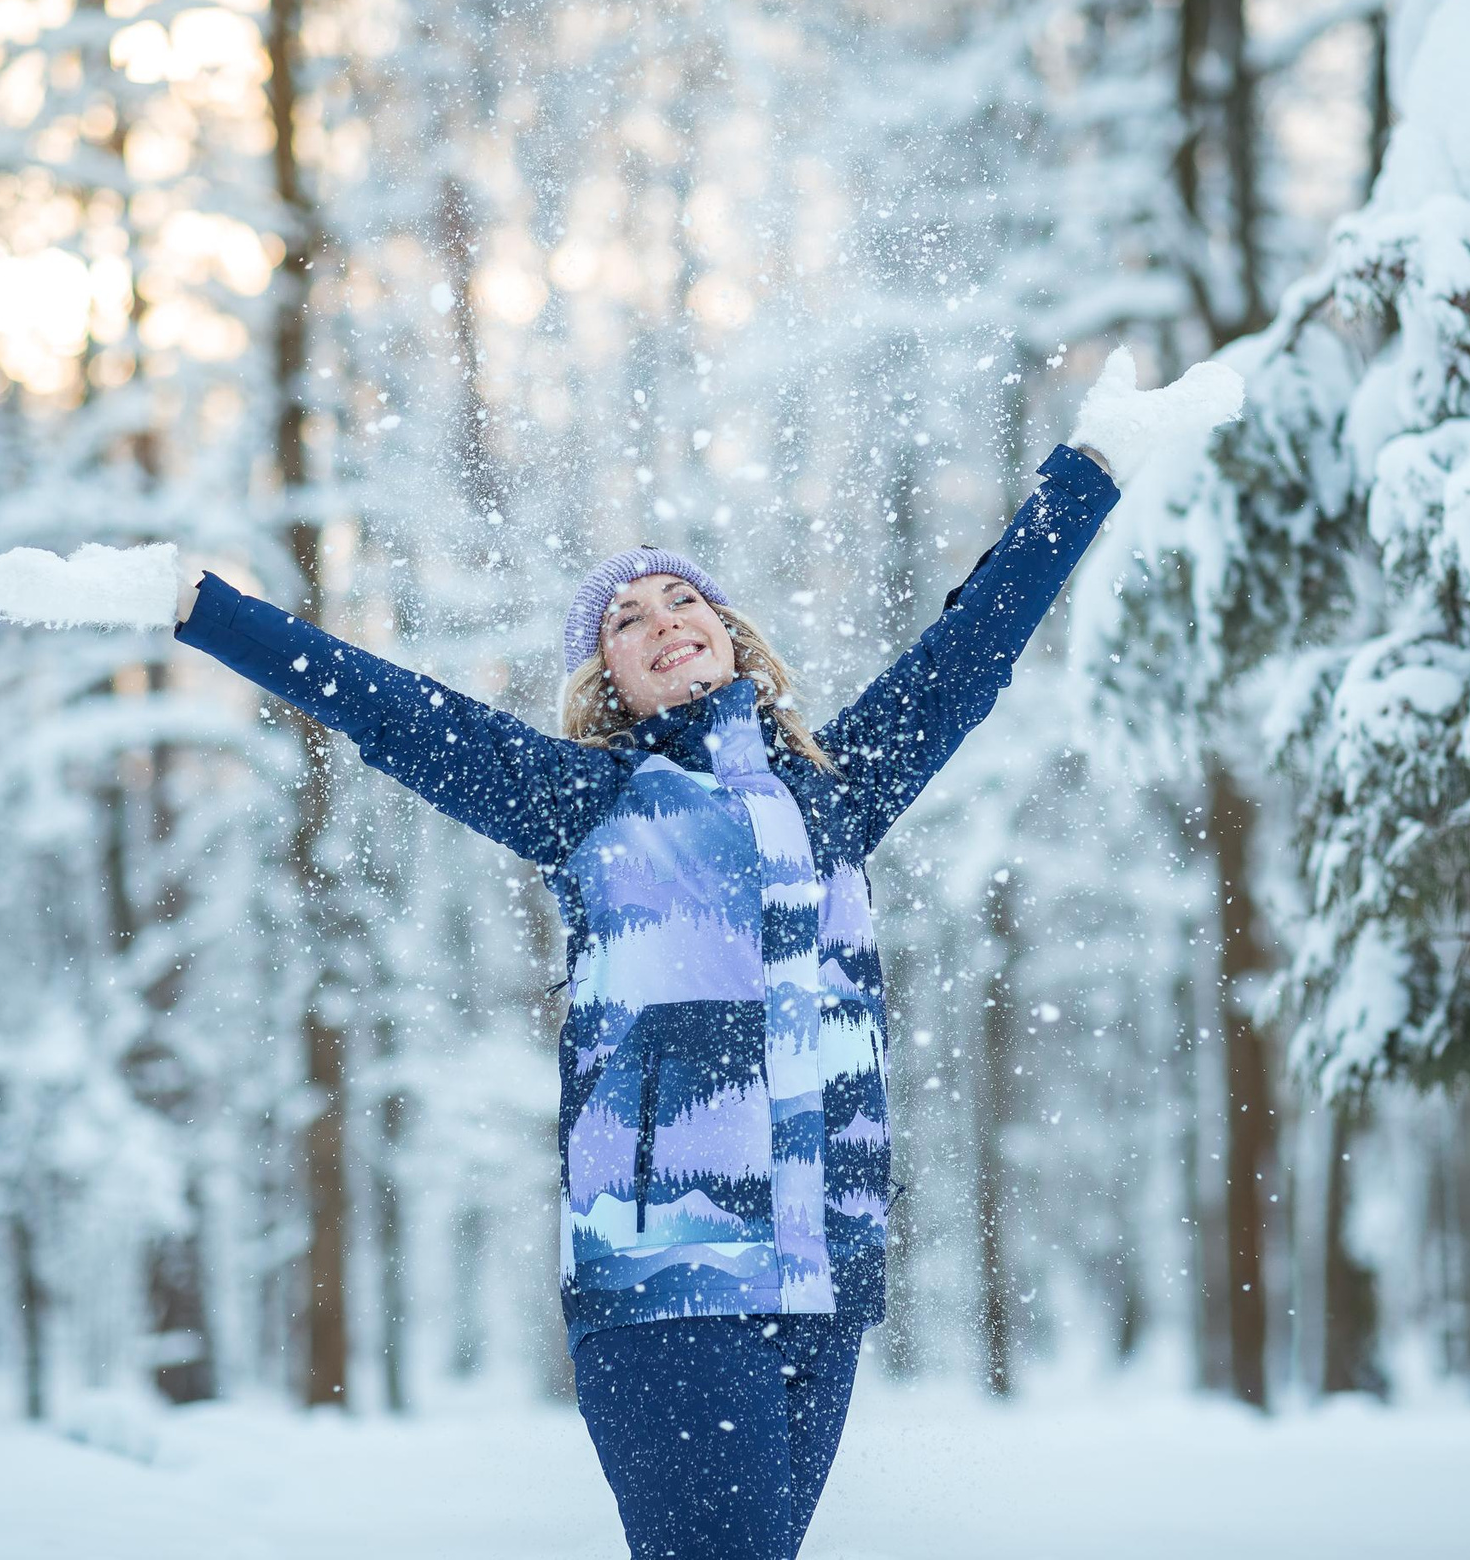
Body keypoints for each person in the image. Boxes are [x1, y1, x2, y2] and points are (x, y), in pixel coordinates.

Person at [160, 349, 1237, 1559]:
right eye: (626, 619)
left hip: (822, 1281)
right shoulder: (587, 804)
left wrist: (1090, 467)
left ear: (730, 636)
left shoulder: (836, 790)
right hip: (667, 1283)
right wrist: (196, 606)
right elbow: (390, 706)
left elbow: (973, 644)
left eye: (682, 601)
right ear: (606, 681)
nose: (662, 621)